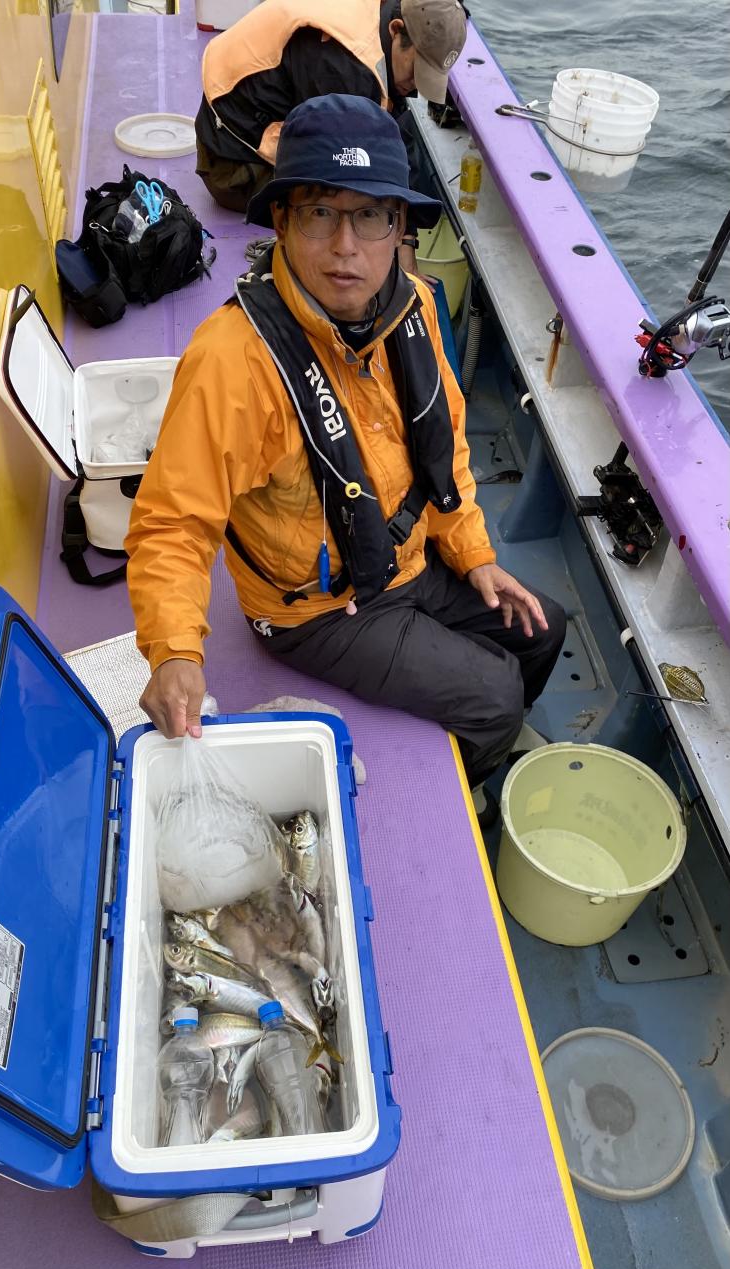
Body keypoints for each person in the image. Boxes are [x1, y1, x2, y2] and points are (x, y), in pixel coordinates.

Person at [126, 94, 566, 821]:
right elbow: (174, 523)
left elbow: (447, 449)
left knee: (542, 630)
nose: (345, 246)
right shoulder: (232, 362)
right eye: (319, 213)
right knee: (496, 696)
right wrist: (175, 653)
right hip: (319, 611)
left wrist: (475, 556)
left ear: (400, 227)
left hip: (411, 556)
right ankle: (464, 799)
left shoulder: (414, 307)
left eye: (370, 216)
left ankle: (481, 747)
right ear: (281, 221)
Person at [195, 0, 466, 229]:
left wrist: (406, 232)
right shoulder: (346, 67)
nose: (417, 87)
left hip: (237, 115)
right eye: (416, 71)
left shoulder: (383, 13)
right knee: (349, 203)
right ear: (396, 30)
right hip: (233, 164)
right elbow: (350, 167)